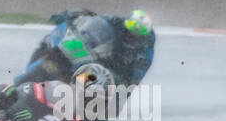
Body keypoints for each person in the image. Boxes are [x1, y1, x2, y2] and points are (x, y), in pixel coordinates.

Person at [17, 8, 155, 87]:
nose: (130, 36)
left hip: (115, 71)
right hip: (86, 56)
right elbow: (95, 20)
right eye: (129, 31)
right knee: (48, 51)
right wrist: (72, 16)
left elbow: (135, 79)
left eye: (135, 35)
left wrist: (120, 88)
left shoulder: (144, 52)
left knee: (103, 85)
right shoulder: (117, 23)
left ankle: (92, 115)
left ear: (141, 37)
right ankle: (24, 82)